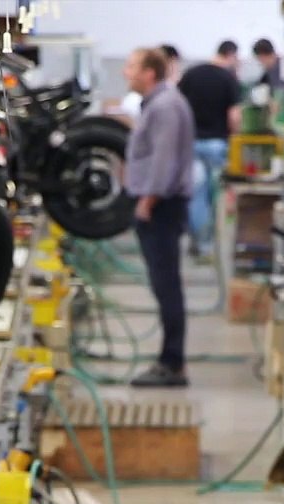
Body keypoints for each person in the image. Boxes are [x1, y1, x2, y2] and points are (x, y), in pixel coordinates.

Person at [122, 47, 195, 388]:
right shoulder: (159, 104)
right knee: (164, 284)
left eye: (132, 67)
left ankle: (172, 362)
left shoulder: (165, 107)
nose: (126, 72)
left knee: (167, 286)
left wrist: (147, 202)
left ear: (150, 73)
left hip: (161, 206)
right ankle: (171, 359)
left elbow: (164, 161)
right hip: (160, 204)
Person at [178, 40, 241, 259]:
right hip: (217, 144)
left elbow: (179, 109)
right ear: (231, 55)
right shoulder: (228, 79)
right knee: (219, 196)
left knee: (196, 194)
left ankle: (201, 245)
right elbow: (234, 116)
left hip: (191, 143)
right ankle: (217, 244)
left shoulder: (191, 74)